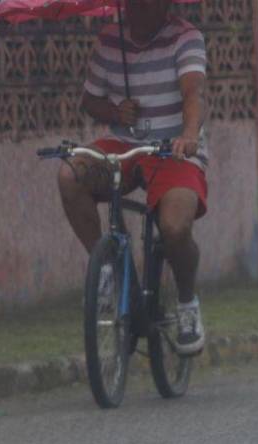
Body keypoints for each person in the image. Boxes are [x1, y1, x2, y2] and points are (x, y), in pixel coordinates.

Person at [57, 0, 208, 355]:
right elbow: (89, 100)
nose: (138, 10)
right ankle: (107, 270)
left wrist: (188, 135)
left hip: (173, 149)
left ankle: (187, 304)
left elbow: (194, 94)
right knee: (69, 175)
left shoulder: (185, 37)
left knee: (174, 229)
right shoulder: (109, 40)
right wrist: (114, 111)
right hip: (123, 145)